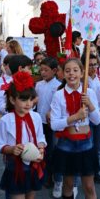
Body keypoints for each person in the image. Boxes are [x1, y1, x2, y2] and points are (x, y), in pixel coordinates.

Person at [50, 58, 100, 199]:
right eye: (67, 71)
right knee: (68, 185)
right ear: (63, 74)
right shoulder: (58, 95)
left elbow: (97, 121)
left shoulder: (89, 93)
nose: (71, 74)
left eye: (75, 70)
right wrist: (74, 117)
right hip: (66, 144)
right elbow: (54, 124)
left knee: (89, 187)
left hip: (86, 144)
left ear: (82, 72)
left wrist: (90, 104)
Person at [0, 71, 46, 198]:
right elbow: (0, 145)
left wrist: (40, 149)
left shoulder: (36, 117)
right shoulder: (5, 120)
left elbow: (40, 138)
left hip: (33, 164)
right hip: (15, 167)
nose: (28, 103)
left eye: (31, 99)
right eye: (23, 99)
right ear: (12, 99)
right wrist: (12, 149)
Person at [34, 57, 60, 188]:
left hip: (51, 124)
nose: (43, 72)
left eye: (46, 70)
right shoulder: (38, 85)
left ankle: (50, 176)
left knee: (51, 150)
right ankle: (42, 174)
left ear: (54, 70)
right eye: (41, 69)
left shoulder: (58, 86)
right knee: (41, 149)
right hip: (39, 123)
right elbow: (36, 102)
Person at [83, 54, 100, 185]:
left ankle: (95, 172)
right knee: (87, 146)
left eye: (94, 64)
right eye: (89, 65)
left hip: (98, 117)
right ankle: (87, 171)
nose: (92, 67)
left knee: (97, 147)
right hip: (85, 118)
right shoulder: (82, 81)